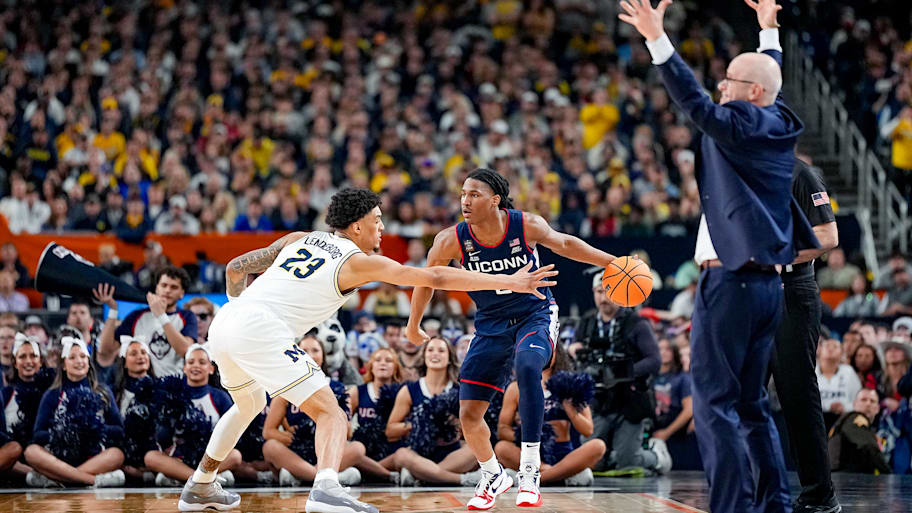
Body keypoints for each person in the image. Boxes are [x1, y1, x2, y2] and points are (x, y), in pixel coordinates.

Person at [178, 188, 555, 513]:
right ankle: (326, 488)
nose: (382, 228)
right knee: (331, 412)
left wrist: (239, 313)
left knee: (247, 404)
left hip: (226, 322)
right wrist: (509, 280)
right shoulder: (358, 261)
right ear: (357, 225)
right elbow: (434, 277)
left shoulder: (298, 238)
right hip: (259, 328)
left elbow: (235, 267)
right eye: (377, 220)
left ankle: (201, 484)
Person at [619, 1, 819, 512]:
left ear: (750, 94)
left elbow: (695, 104)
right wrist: (768, 33)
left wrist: (657, 40)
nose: (721, 86)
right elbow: (766, 81)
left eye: (729, 80)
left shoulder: (741, 123)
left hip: (730, 284)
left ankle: (732, 507)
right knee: (751, 406)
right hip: (768, 288)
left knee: (713, 406)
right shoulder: (780, 122)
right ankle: (773, 504)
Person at [406, 168, 617, 509]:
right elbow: (428, 279)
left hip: (535, 314)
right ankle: (493, 474)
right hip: (490, 323)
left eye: (474, 194)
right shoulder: (451, 239)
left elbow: (564, 243)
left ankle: (530, 470)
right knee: (469, 413)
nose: (465, 200)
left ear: (495, 200)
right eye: (462, 194)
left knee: (528, 365)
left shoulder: (525, 224)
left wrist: (612, 262)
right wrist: (413, 324)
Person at [769, 155, 842, 513]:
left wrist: (775, 255)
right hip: (751, 291)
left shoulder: (800, 173)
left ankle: (820, 494)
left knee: (796, 393)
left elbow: (828, 235)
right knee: (742, 394)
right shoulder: (741, 171)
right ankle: (758, 487)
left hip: (791, 289)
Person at [574, 274, 666, 474]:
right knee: (590, 462)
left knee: (628, 463)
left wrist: (620, 373)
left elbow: (654, 361)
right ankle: (610, 455)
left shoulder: (637, 323)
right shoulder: (586, 322)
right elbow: (575, 357)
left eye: (608, 291)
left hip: (630, 401)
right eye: (599, 291)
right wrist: (574, 352)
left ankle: (657, 456)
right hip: (598, 400)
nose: (604, 297)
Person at [494, 343, 606, 485]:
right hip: (529, 451)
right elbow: (502, 429)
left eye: (545, 351)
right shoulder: (516, 388)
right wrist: (525, 434)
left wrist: (569, 408)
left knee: (598, 446)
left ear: (556, 354)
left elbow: (588, 430)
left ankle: (538, 478)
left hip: (564, 454)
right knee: (501, 448)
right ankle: (559, 476)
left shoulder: (571, 384)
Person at [23, 337, 125, 488]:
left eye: (83, 356)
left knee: (117, 454)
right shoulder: (52, 394)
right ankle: (90, 480)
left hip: (94, 457)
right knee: (31, 452)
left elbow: (119, 430)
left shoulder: (102, 391)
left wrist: (95, 430)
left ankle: (61, 479)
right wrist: (64, 432)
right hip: (59, 457)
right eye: (72, 357)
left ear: (89, 362)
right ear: (64, 365)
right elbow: (38, 434)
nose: (79, 361)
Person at [263, 335, 363, 487]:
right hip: (296, 452)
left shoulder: (338, 388)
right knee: (269, 447)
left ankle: (302, 475)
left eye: (315, 350)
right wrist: (290, 437)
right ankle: (325, 479)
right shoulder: (286, 387)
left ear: (323, 356)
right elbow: (268, 431)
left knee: (358, 448)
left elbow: (346, 432)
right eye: (303, 351)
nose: (309, 355)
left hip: (326, 451)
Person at [385, 337, 480, 486]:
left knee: (475, 450)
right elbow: (390, 430)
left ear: (449, 358)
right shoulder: (409, 390)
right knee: (401, 454)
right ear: (424, 356)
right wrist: (419, 423)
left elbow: (473, 427)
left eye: (441, 351)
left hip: (451, 452)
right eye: (430, 350)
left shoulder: (460, 390)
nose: (435, 354)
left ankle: (421, 475)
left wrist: (457, 424)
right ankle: (462, 480)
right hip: (419, 453)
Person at [145, 344, 241, 487]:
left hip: (211, 458)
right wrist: (167, 419)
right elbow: (163, 438)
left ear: (211, 369)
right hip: (180, 459)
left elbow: (232, 433)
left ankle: (186, 478)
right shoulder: (173, 395)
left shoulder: (220, 397)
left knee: (236, 456)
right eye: (191, 362)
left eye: (202, 362)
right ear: (184, 368)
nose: (196, 366)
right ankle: (200, 479)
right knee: (150, 458)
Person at [97, 266, 198, 377]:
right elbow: (105, 350)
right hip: (143, 386)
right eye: (164, 285)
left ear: (182, 293)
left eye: (174, 287)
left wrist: (161, 316)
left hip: (175, 386)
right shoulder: (137, 316)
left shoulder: (187, 316)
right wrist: (113, 310)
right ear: (157, 288)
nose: (168, 290)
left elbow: (186, 351)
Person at [348, 347, 404, 482]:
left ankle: (371, 472)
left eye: (388, 360)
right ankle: (386, 475)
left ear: (396, 368)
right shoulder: (357, 391)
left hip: (391, 451)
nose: (383, 363)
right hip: (365, 453)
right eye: (378, 360)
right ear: (371, 367)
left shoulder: (403, 392)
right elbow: (341, 418)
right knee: (353, 451)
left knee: (404, 454)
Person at [827, 389, 891, 474]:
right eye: (863, 400)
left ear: (878, 408)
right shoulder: (854, 418)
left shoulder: (847, 421)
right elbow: (868, 446)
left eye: (872, 401)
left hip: (842, 478)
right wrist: (887, 472)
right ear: (854, 404)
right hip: (844, 479)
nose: (868, 404)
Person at [816, 339, 862, 430]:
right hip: (816, 420)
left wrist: (844, 407)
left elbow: (858, 401)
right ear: (819, 351)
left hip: (844, 421)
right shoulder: (811, 372)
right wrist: (827, 407)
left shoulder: (849, 372)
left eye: (835, 347)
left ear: (842, 354)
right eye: (827, 346)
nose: (831, 349)